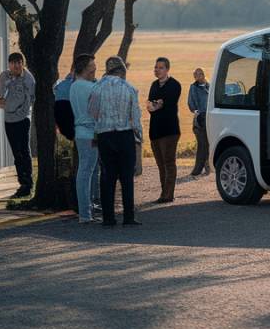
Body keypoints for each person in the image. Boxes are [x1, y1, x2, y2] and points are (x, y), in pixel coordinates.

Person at [88, 56, 143, 227]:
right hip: (125, 135)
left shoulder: (97, 88)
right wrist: (139, 140)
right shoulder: (129, 88)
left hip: (105, 136)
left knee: (107, 177)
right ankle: (128, 217)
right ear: (121, 71)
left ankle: (108, 218)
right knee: (126, 178)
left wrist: (98, 130)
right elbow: (136, 118)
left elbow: (92, 112)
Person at [0, 52, 36, 198]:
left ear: (22, 63)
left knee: (24, 150)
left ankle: (28, 184)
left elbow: (32, 99)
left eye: (19, 62)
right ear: (9, 64)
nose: (17, 65)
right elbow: (1, 99)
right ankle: (22, 182)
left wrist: (20, 111)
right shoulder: (3, 77)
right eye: (13, 63)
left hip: (23, 119)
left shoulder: (28, 79)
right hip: (9, 119)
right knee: (16, 153)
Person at [69, 54, 100, 223]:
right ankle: (86, 213)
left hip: (80, 132)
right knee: (87, 172)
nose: (94, 70)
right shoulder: (90, 88)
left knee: (85, 170)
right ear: (85, 69)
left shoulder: (74, 86)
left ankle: (86, 210)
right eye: (92, 68)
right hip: (91, 132)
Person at [148, 57, 182, 203]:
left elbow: (165, 103)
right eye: (156, 67)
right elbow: (150, 105)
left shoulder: (174, 85)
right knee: (160, 164)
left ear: (167, 69)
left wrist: (157, 104)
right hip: (155, 130)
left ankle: (168, 195)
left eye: (160, 67)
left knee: (168, 162)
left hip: (169, 130)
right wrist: (157, 103)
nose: (157, 70)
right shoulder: (154, 85)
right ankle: (163, 193)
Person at [187, 67, 210, 177]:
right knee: (202, 144)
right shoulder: (193, 87)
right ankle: (197, 170)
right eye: (196, 75)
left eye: (200, 74)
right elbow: (191, 103)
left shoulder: (210, 86)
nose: (198, 76)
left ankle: (208, 168)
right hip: (199, 121)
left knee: (208, 144)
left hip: (210, 120)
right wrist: (196, 111)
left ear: (204, 74)